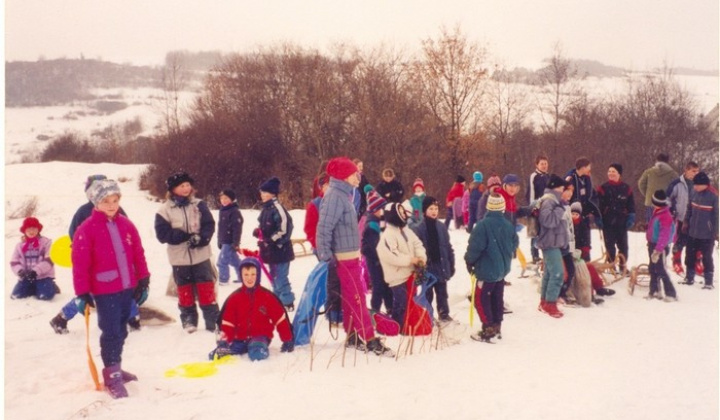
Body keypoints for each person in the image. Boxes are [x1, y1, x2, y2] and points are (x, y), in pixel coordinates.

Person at [72, 179, 150, 399]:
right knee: (111, 332)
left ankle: (115, 366)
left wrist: (143, 278)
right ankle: (112, 375)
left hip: (127, 287)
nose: (111, 205)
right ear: (95, 202)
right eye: (106, 201)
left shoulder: (127, 224)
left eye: (115, 200)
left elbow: (138, 253)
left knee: (122, 329)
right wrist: (82, 292)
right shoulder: (86, 229)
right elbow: (80, 264)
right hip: (105, 291)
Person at [316, 157, 394, 356]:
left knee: (353, 298)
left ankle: (352, 335)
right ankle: (370, 339)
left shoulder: (344, 195)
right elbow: (324, 227)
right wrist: (325, 254)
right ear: (343, 176)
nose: (358, 177)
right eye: (353, 174)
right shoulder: (334, 196)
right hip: (343, 257)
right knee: (358, 297)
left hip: (351, 255)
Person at [50, 174, 138, 334]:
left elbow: (126, 229)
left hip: (119, 260)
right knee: (91, 295)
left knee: (126, 288)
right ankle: (62, 317)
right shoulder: (83, 212)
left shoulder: (117, 209)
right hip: (97, 265)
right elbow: (75, 235)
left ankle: (132, 317)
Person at [155, 171, 219, 333]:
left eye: (188, 185)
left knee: (206, 288)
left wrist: (202, 238)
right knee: (185, 290)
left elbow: (209, 225)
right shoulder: (164, 210)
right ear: (173, 189)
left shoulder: (199, 205)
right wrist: (181, 236)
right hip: (179, 259)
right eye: (182, 186)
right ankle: (189, 318)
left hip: (201, 256)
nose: (186, 188)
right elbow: (162, 234)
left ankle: (213, 319)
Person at [208, 258, 294, 361]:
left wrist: (287, 339)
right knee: (217, 355)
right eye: (246, 275)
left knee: (257, 353)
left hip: (260, 336)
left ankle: (258, 349)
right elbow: (228, 322)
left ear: (258, 275)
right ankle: (232, 348)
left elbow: (280, 319)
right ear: (241, 275)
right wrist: (223, 343)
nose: (250, 278)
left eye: (253, 274)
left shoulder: (267, 297)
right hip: (239, 338)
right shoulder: (235, 298)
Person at [465, 193, 518, 341]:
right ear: (502, 207)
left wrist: (469, 261)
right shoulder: (508, 225)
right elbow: (515, 244)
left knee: (481, 299)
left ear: (488, 206)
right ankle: (497, 324)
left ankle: (488, 328)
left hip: (487, 271)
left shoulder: (482, 226)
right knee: (497, 298)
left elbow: (474, 248)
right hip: (501, 270)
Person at [377, 202, 427, 330]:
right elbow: (392, 256)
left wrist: (421, 257)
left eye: (404, 212)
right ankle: (397, 326)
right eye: (401, 212)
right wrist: (411, 260)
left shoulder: (406, 230)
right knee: (401, 303)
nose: (405, 214)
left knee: (410, 301)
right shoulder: (388, 235)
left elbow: (417, 244)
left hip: (409, 274)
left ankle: (407, 324)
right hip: (397, 276)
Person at [253, 176, 296, 311]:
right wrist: (259, 232)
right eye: (261, 192)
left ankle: (288, 302)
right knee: (273, 277)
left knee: (281, 277)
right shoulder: (266, 209)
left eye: (265, 192)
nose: (263, 195)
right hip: (270, 251)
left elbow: (284, 229)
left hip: (280, 250)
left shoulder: (278, 208)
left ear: (272, 193)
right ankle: (276, 300)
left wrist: (271, 240)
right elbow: (265, 226)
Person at [412, 196, 455, 323]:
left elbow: (448, 247)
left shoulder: (441, 227)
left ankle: (444, 314)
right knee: (428, 293)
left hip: (440, 265)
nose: (434, 211)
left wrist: (451, 264)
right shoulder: (419, 228)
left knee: (442, 293)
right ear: (425, 210)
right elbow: (416, 250)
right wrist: (419, 268)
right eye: (431, 208)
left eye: (436, 208)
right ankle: (427, 315)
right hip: (428, 268)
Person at [536, 174, 570, 318]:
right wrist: (560, 209)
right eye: (562, 188)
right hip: (550, 242)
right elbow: (548, 221)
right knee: (557, 273)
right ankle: (550, 304)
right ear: (556, 187)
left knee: (549, 273)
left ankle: (544, 302)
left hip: (551, 241)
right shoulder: (551, 202)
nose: (563, 191)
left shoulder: (552, 200)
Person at [681, 172, 718, 289]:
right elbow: (689, 208)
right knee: (690, 255)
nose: (695, 186)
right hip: (693, 231)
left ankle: (708, 280)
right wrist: (686, 222)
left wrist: (716, 231)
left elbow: (717, 216)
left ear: (705, 184)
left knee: (707, 257)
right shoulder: (693, 192)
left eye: (697, 185)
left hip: (707, 234)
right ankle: (689, 277)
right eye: (694, 184)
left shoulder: (714, 196)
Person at [597, 163, 635, 272]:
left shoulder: (626, 188)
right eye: (609, 171)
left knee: (623, 246)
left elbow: (631, 205)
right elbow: (598, 205)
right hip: (607, 222)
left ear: (619, 174)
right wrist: (598, 217)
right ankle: (611, 266)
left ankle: (623, 266)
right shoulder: (603, 188)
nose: (611, 174)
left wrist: (631, 216)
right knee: (610, 246)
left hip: (621, 222)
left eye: (613, 171)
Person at [10, 217, 56, 300]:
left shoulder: (46, 243)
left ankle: (51, 285)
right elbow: (14, 262)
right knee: (16, 296)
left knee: (45, 296)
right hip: (26, 276)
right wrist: (20, 271)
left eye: (34, 228)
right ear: (24, 231)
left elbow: (49, 260)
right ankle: (33, 288)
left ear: (38, 230)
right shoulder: (20, 246)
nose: (32, 231)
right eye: (29, 229)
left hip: (43, 276)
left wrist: (35, 271)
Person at [361, 188, 392, 314]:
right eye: (382, 209)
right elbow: (374, 246)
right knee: (378, 286)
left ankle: (390, 307)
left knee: (386, 284)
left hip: (381, 260)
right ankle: (375, 310)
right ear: (376, 210)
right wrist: (380, 258)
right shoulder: (371, 225)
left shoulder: (380, 221)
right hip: (374, 261)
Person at [645, 190, 678, 301]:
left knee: (660, 269)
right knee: (652, 268)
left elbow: (664, 234)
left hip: (660, 247)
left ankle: (671, 293)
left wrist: (658, 250)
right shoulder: (658, 211)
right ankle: (654, 290)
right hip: (652, 244)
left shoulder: (665, 216)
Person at [667, 161, 700, 274]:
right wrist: (672, 210)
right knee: (680, 240)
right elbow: (667, 198)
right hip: (682, 217)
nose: (695, 173)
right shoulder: (677, 183)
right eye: (693, 171)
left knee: (696, 242)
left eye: (697, 171)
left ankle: (695, 263)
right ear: (686, 170)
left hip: (696, 218)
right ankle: (676, 261)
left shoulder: (700, 183)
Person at [565, 157, 601, 258]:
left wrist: (596, 212)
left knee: (585, 239)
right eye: (588, 166)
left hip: (584, 213)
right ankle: (573, 259)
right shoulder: (571, 178)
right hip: (574, 214)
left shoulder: (586, 178)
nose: (590, 169)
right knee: (575, 238)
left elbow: (590, 197)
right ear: (583, 167)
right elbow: (567, 195)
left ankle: (586, 259)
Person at [637, 153, 679, 222]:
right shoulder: (673, 174)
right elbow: (677, 187)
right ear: (667, 161)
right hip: (666, 203)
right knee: (664, 227)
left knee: (651, 225)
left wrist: (648, 195)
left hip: (650, 203)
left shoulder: (649, 171)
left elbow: (641, 184)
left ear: (657, 160)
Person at [216, 189, 244, 285]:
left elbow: (237, 229)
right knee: (235, 261)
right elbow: (221, 228)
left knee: (222, 261)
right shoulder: (223, 210)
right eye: (222, 198)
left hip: (230, 242)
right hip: (224, 241)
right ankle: (242, 276)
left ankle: (223, 280)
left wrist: (235, 242)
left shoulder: (234, 211)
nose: (223, 200)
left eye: (226, 198)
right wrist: (219, 241)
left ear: (232, 200)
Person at [527, 155, 550, 263]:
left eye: (545, 163)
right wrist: (533, 207)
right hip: (536, 208)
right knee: (535, 232)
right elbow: (531, 192)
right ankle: (535, 255)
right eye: (542, 164)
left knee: (545, 232)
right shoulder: (534, 176)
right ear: (537, 165)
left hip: (547, 209)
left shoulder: (547, 176)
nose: (544, 166)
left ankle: (545, 254)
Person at [304, 173, 328, 257]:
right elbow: (309, 228)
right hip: (322, 249)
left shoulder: (340, 202)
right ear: (322, 187)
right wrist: (318, 245)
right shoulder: (315, 205)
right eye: (328, 185)